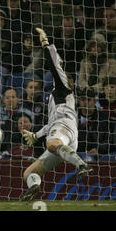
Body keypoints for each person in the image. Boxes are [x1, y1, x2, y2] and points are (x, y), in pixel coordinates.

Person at [20, 28, 93, 202]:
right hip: (65, 135)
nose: (61, 77)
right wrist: (36, 135)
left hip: (64, 129)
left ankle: (81, 164)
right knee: (29, 173)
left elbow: (55, 65)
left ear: (71, 83)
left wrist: (46, 44)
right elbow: (52, 124)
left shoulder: (65, 88)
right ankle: (33, 187)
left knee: (52, 143)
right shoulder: (56, 97)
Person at [76, 88, 111, 156]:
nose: (85, 102)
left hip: (96, 155)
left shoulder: (104, 118)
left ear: (95, 101)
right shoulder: (73, 116)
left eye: (89, 100)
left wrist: (98, 149)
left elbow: (109, 139)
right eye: (83, 100)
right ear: (79, 101)